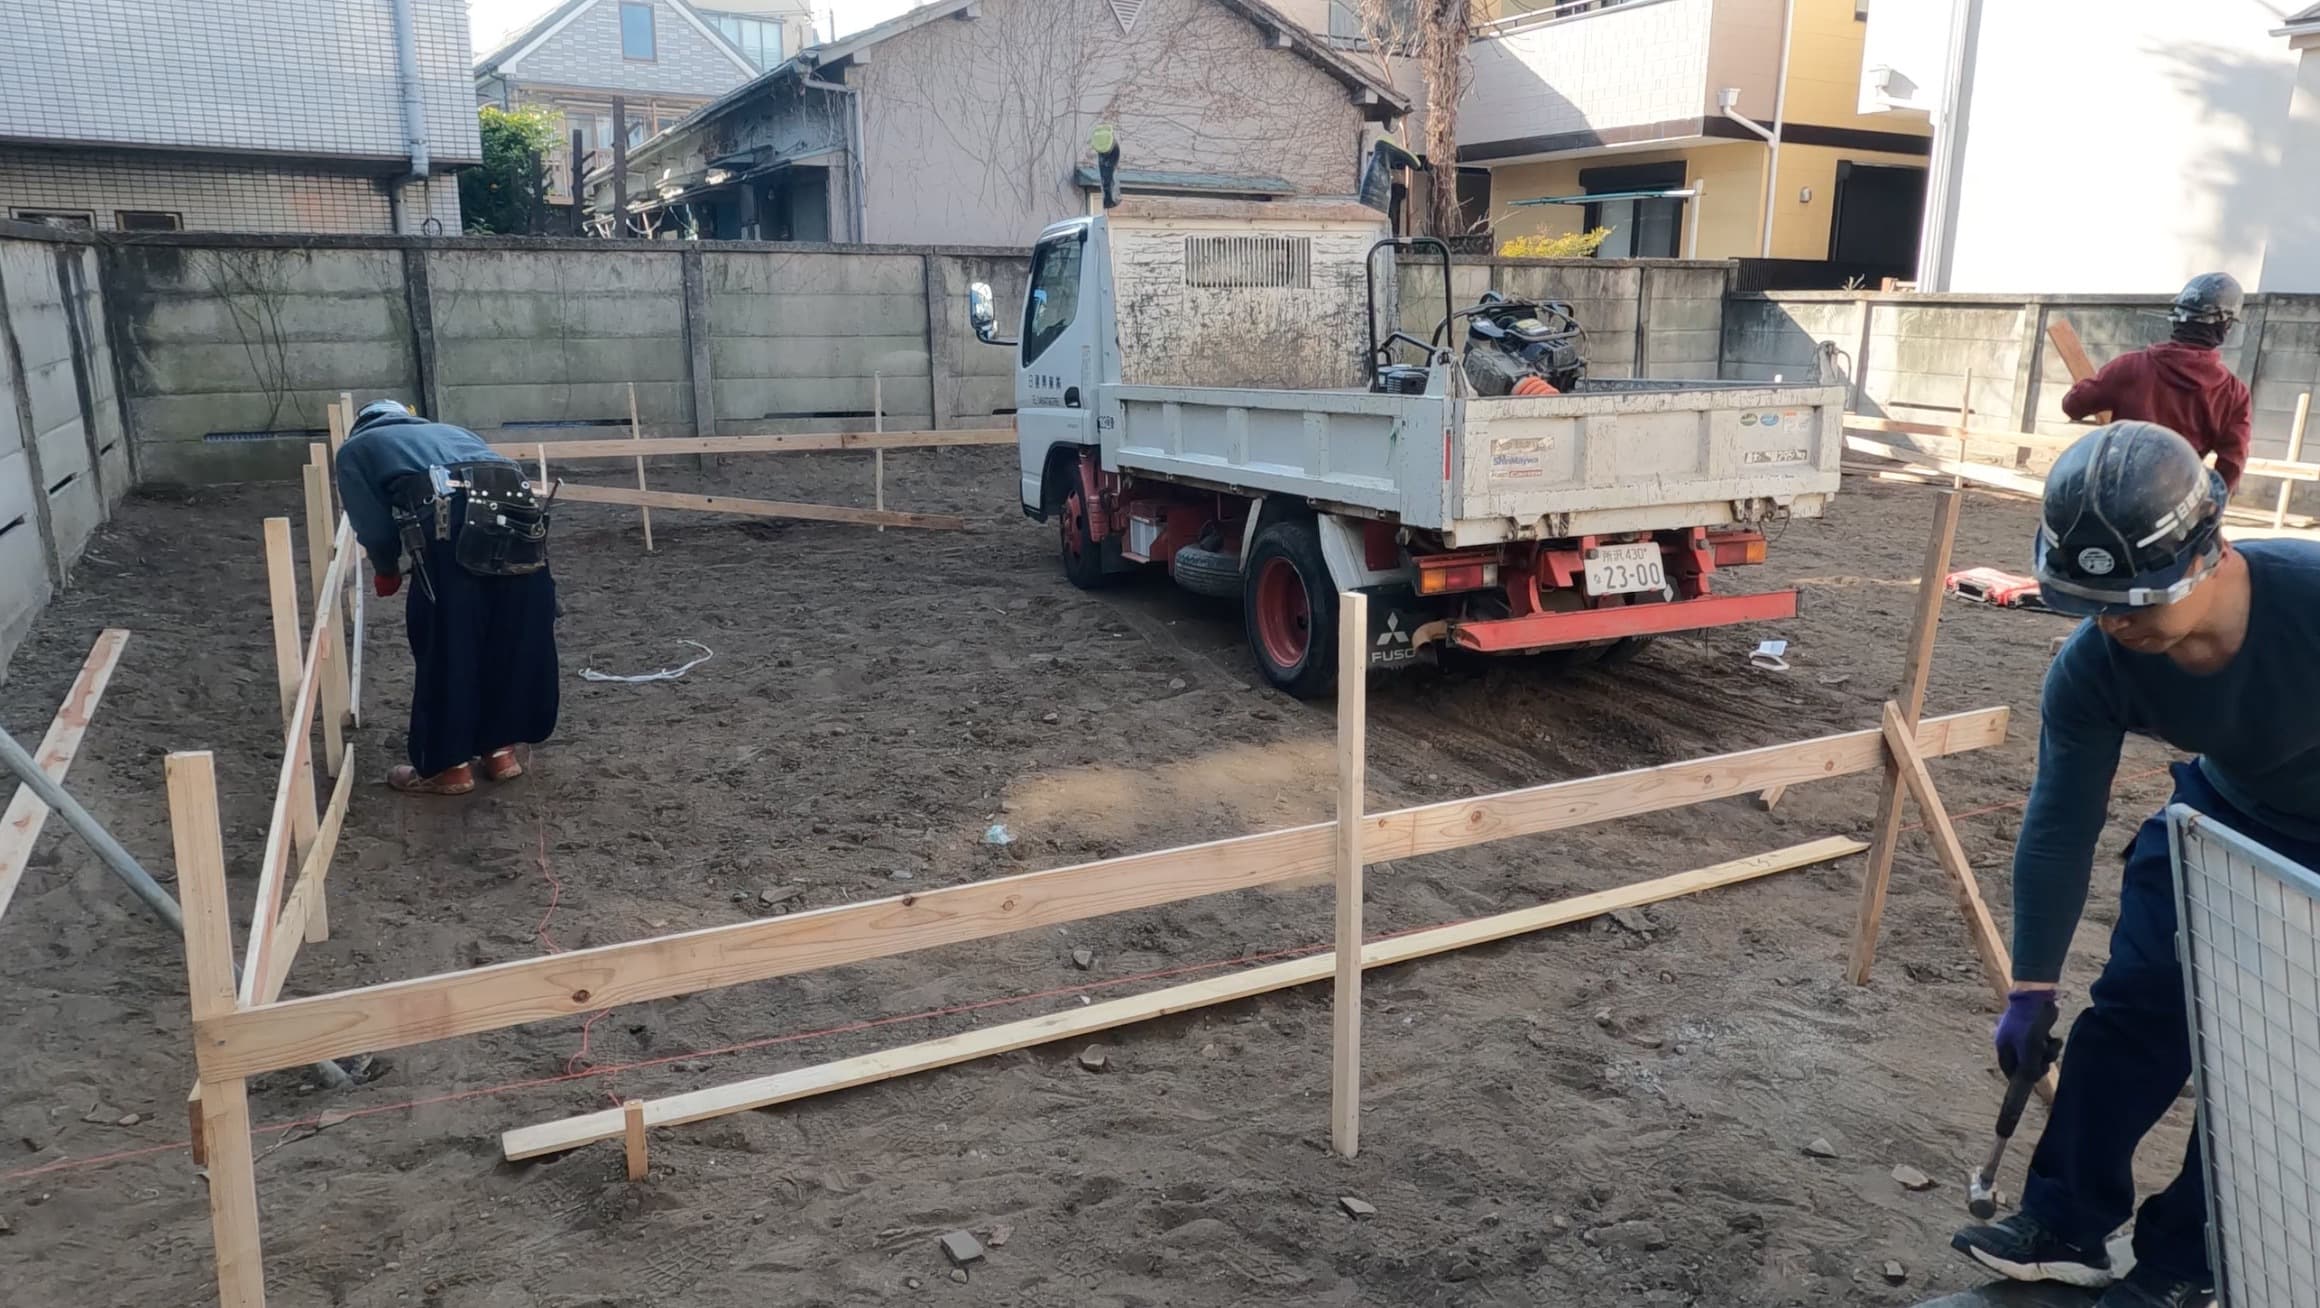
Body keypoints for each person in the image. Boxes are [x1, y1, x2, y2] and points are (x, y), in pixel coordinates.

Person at [1949, 421, 2320, 1307]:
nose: (2115, 624)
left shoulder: (2309, 606)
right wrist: (2032, 986)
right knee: (2133, 1012)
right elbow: (2059, 822)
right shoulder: (2096, 668)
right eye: (2093, 604)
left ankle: (2187, 1262)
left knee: (2269, 1061)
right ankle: (2065, 1221)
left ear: (2209, 552)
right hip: (2221, 815)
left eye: (2136, 602)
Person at [335, 400, 560, 795]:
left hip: (449, 523)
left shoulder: (356, 449)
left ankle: (449, 766)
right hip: (521, 522)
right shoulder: (454, 432)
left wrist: (386, 568)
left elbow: (371, 524)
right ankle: (500, 752)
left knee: (448, 641)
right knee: (507, 634)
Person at [2060, 273, 2251, 491]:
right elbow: (2233, 463)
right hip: (2176, 498)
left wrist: (2091, 385)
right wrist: (2212, 502)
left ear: (2176, 319)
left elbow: (2073, 406)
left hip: (2114, 492)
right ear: (2226, 326)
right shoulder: (2233, 393)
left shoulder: (2129, 367)